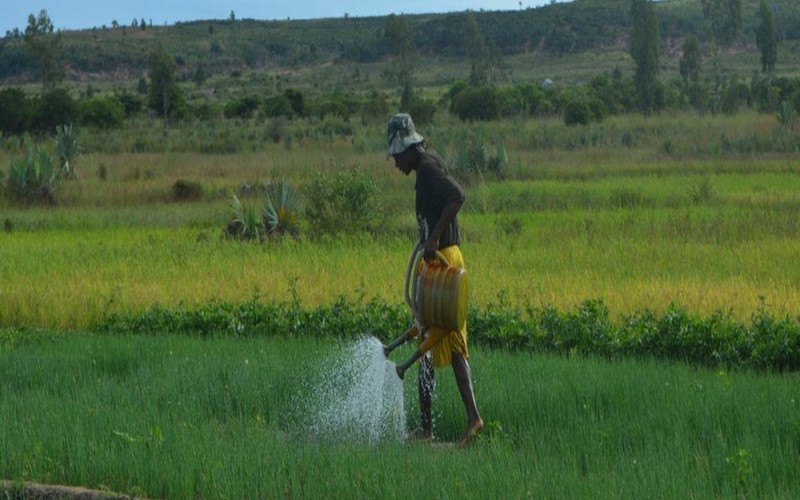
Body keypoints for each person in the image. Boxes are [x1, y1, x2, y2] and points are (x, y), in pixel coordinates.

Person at [385, 112, 483, 446]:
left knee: (450, 343)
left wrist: (434, 238)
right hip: (436, 263)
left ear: (408, 148)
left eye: (396, 156)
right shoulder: (425, 165)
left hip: (445, 261)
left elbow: (457, 196)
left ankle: (473, 419)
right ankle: (427, 429)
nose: (396, 163)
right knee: (426, 341)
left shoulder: (427, 167)